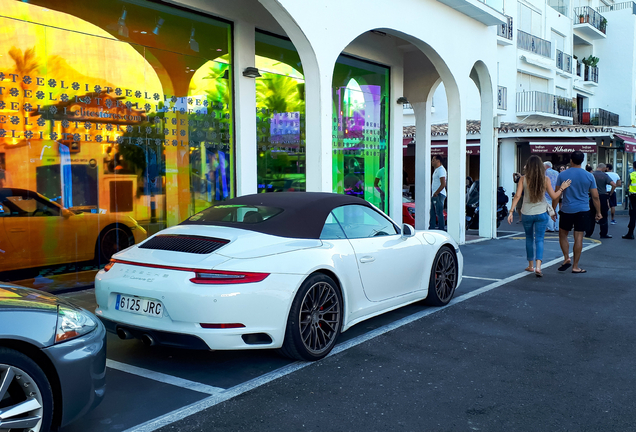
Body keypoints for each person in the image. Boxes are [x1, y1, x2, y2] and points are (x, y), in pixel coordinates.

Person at [508, 156, 570, 277]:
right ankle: (538, 267)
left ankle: (530, 265)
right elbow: (554, 196)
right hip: (542, 213)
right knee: (540, 239)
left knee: (529, 238)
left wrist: (511, 211)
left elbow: (517, 196)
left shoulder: (523, 179)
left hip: (526, 213)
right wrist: (562, 188)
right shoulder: (545, 179)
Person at [552, 151, 602, 274]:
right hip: (583, 209)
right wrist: (598, 212)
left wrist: (553, 210)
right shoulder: (589, 175)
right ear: (582, 160)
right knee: (578, 238)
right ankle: (575, 266)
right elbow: (595, 196)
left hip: (567, 209)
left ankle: (566, 257)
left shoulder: (563, 175)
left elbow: (557, 195)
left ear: (571, 160)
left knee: (563, 235)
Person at [586, 163, 615, 239]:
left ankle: (588, 233)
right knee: (603, 215)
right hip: (602, 196)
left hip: (592, 195)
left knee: (591, 215)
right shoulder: (604, 175)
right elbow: (614, 184)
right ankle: (603, 233)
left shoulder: (591, 174)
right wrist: (610, 193)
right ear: (604, 168)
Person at [429, 155, 446, 230]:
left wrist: (437, 192)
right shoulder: (436, 170)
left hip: (439, 195)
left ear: (438, 161)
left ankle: (441, 228)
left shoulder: (441, 170)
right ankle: (432, 227)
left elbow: (443, 183)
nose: (432, 162)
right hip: (435, 194)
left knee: (439, 212)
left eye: (433, 160)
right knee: (432, 212)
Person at [544, 161, 559, 232]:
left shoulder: (544, 173)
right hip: (556, 193)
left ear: (545, 166)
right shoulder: (557, 173)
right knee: (556, 210)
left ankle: (550, 227)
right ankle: (557, 226)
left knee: (549, 211)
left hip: (547, 194)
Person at [623, 160, 636, 239]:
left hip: (633, 197)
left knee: (633, 215)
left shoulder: (631, 174)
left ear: (634, 167)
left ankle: (630, 233)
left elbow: (628, 185)